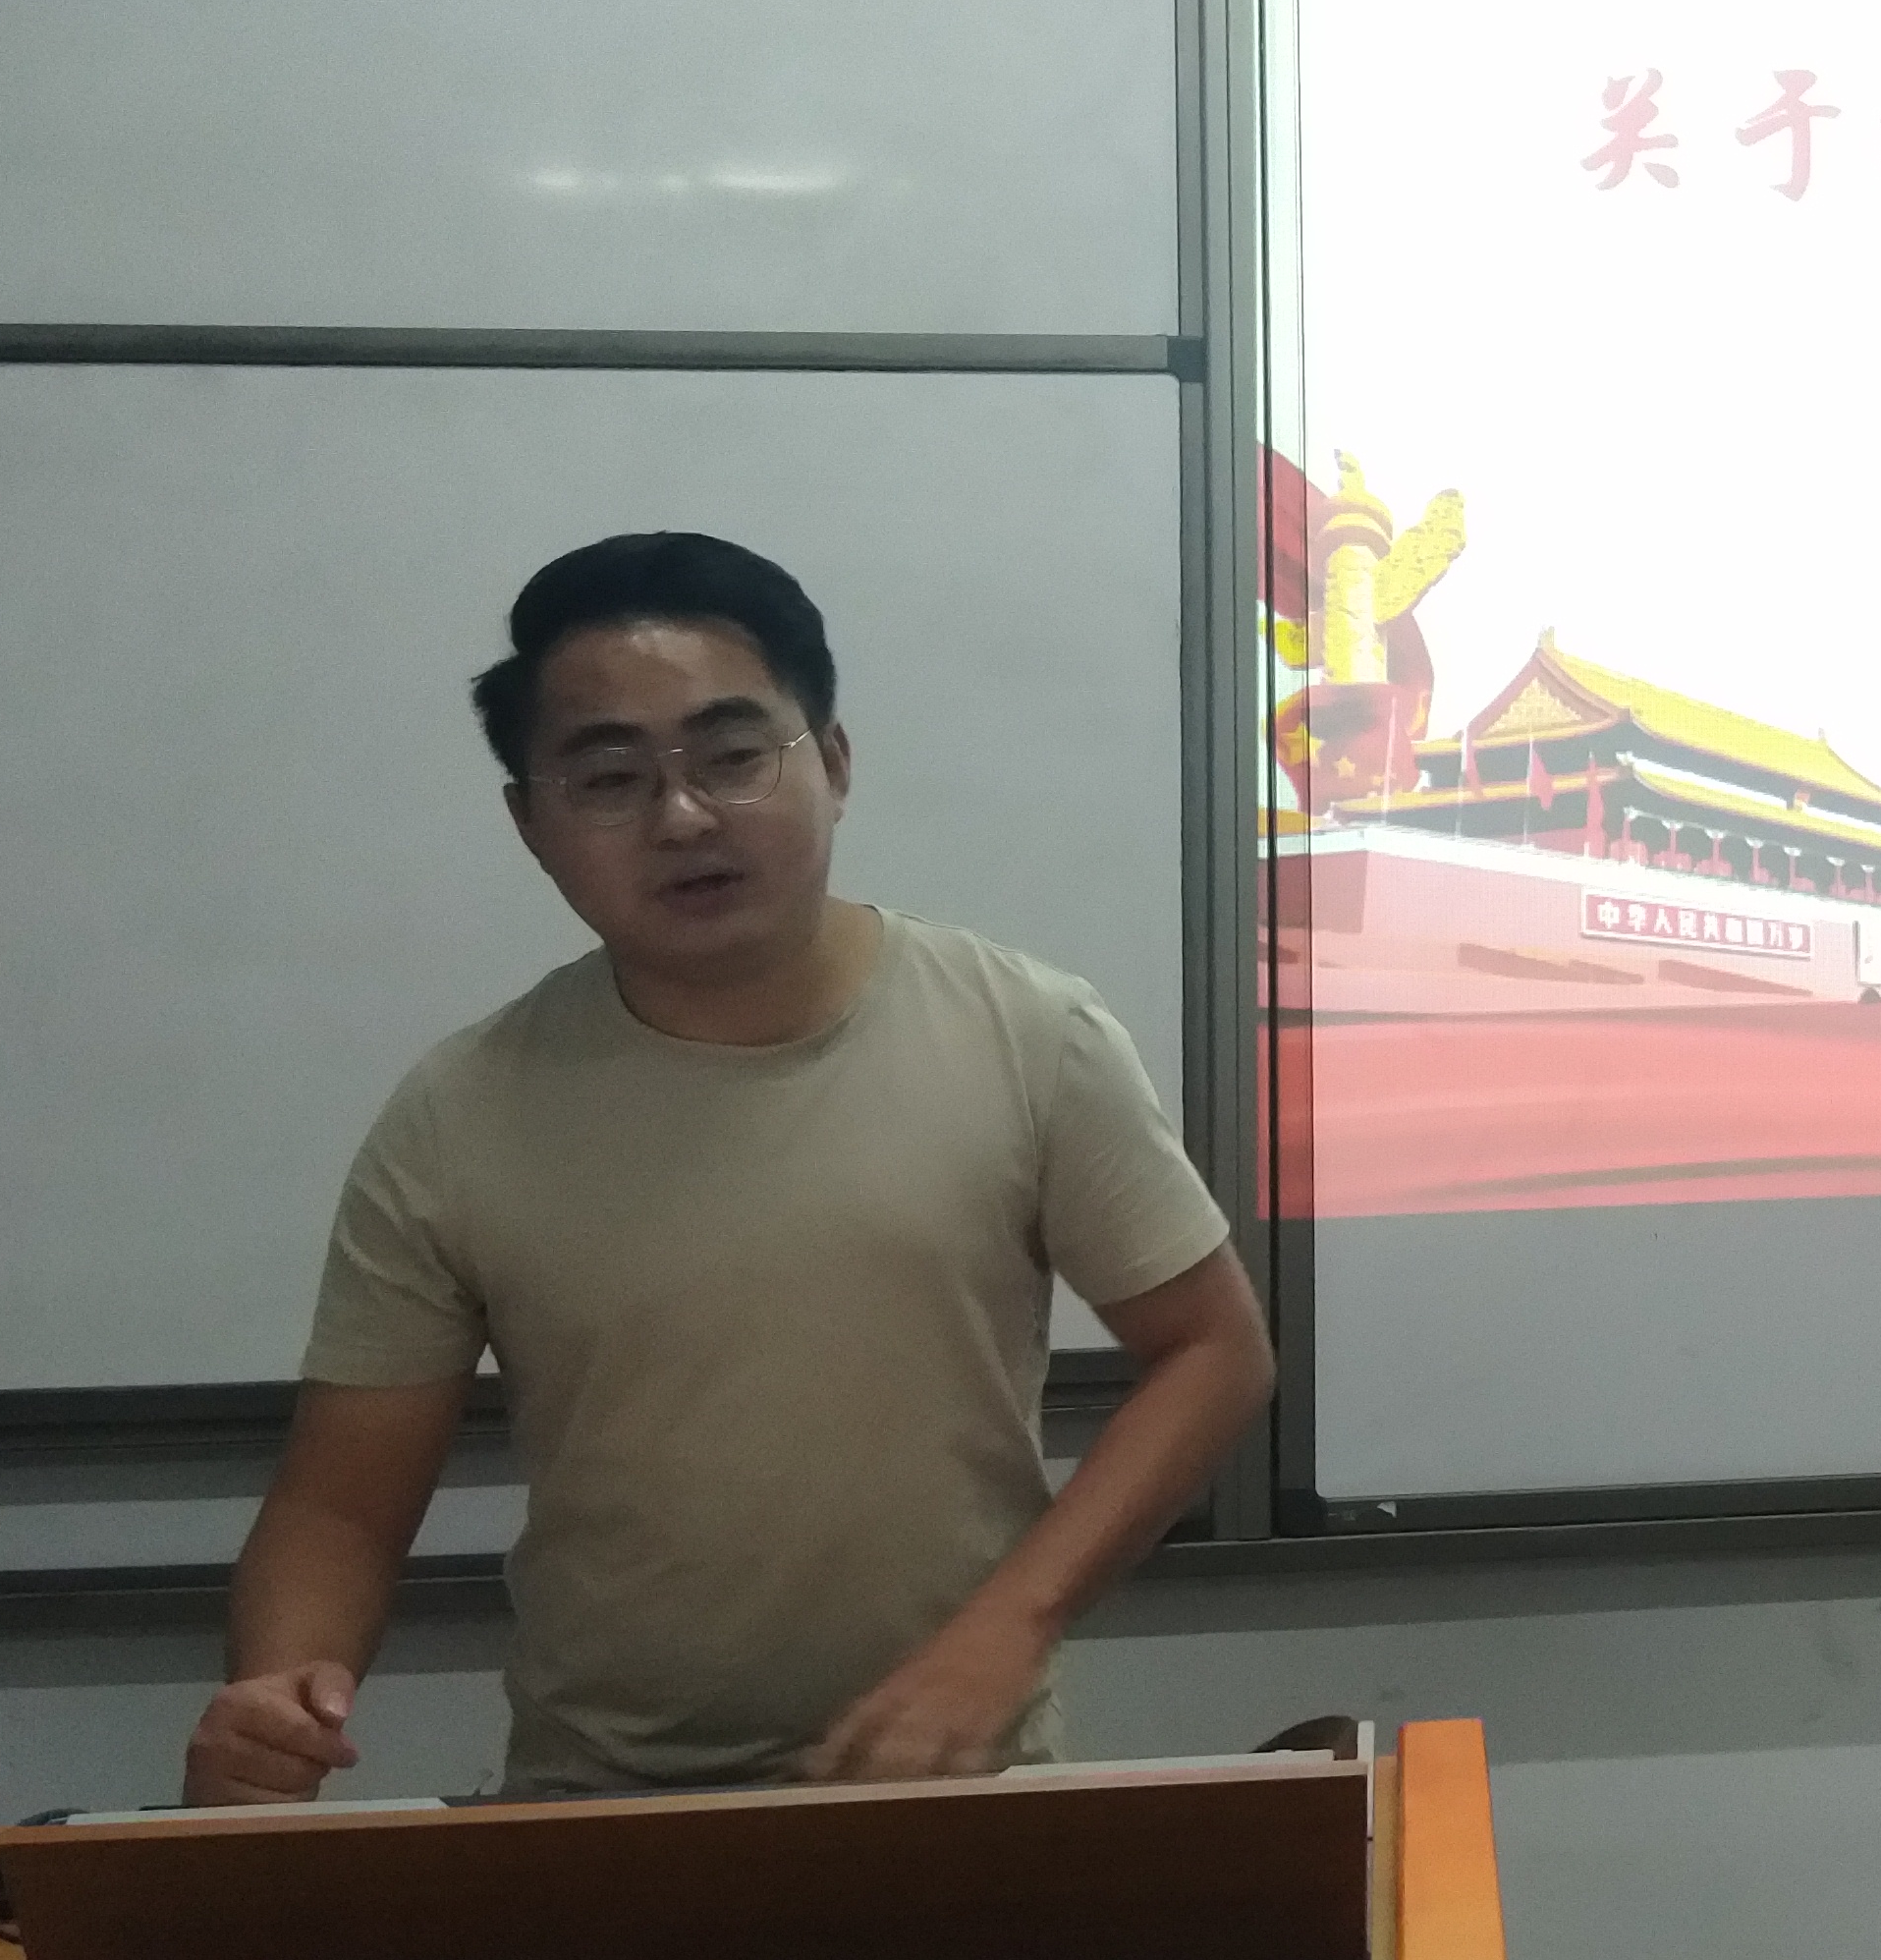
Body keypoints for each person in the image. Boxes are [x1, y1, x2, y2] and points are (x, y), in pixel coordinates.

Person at [182, 532, 1269, 1803]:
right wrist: (276, 1693)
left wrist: (1007, 1630)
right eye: (609, 778)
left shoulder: (1027, 1035)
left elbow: (1212, 1351)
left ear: (835, 764)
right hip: (600, 1802)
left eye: (734, 757)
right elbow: (341, 1508)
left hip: (952, 1785)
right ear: (532, 827)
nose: (684, 817)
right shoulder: (460, 1113)